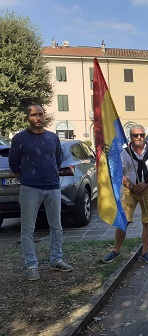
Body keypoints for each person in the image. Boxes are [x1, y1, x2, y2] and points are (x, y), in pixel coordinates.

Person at [9, 105, 73, 281]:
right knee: (28, 229)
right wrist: (25, 179)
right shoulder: (20, 138)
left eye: (40, 114)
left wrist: (50, 174)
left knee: (56, 226)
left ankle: (56, 259)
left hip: (52, 187)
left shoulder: (53, 138)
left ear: (44, 116)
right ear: (28, 117)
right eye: (33, 115)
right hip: (30, 188)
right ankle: (31, 265)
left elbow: (58, 159)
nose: (38, 117)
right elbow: (14, 163)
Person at [103, 125, 148, 264]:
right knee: (124, 221)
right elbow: (120, 173)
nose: (139, 137)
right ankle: (116, 250)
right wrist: (131, 186)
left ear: (145, 135)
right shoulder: (124, 153)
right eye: (135, 135)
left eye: (141, 134)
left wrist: (145, 185)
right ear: (130, 137)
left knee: (147, 221)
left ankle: (145, 251)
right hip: (130, 190)